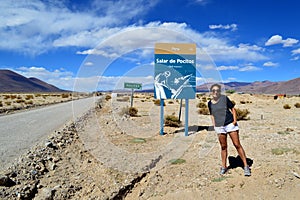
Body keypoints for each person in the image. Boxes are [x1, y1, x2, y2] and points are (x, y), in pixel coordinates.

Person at [208, 83, 251, 176]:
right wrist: (214, 124)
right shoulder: (210, 103)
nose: (215, 92)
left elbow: (233, 109)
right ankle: (224, 167)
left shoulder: (224, 99)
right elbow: (211, 114)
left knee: (237, 144)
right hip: (220, 126)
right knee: (223, 147)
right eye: (213, 90)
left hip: (229, 124)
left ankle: (246, 166)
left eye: (217, 90)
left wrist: (234, 121)